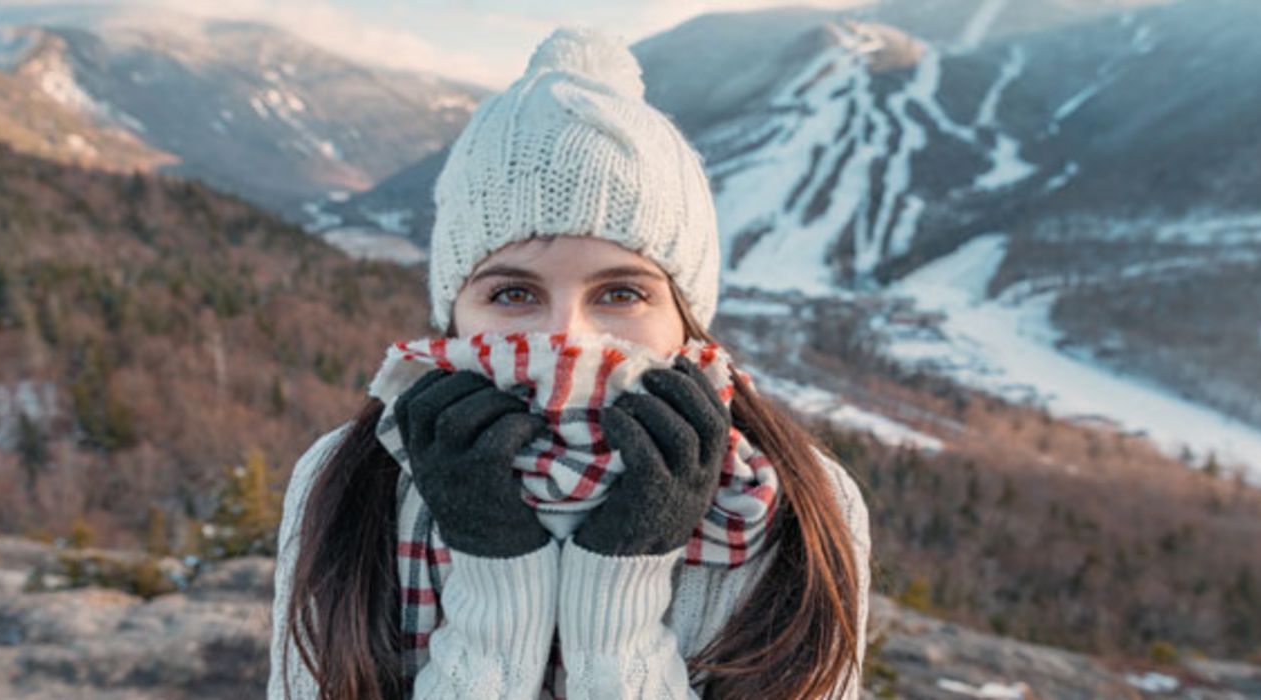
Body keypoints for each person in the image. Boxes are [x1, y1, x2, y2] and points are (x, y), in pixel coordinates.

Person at [269, 25, 871, 700]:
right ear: (456, 312)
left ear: (684, 314)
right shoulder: (355, 478)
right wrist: (494, 571)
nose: (566, 336)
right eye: (513, 293)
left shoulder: (792, 499)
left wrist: (622, 586)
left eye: (620, 292)